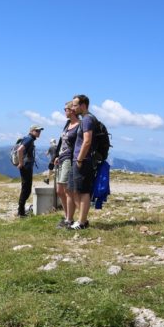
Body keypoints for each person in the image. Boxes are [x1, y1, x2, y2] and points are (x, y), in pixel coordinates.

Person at [69, 95, 99, 230]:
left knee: (84, 191)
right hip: (80, 159)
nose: (73, 108)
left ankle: (82, 222)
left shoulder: (87, 120)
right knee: (76, 190)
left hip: (84, 160)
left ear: (83, 105)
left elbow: (87, 141)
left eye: (75, 105)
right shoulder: (86, 119)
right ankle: (81, 220)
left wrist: (80, 159)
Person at [54, 102, 79, 228]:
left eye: (66, 109)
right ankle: (67, 216)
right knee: (59, 191)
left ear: (72, 110)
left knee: (67, 190)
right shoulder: (67, 124)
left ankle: (69, 219)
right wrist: (57, 156)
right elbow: (62, 143)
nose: (65, 111)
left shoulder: (78, 125)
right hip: (62, 158)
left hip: (69, 160)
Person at [16, 125, 43, 217]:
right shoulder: (29, 139)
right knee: (26, 189)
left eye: (40, 131)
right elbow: (20, 150)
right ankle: (21, 212)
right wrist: (20, 163)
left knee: (26, 188)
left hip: (26, 166)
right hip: (26, 167)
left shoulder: (28, 138)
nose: (39, 132)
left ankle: (21, 210)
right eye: (37, 130)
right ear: (31, 131)